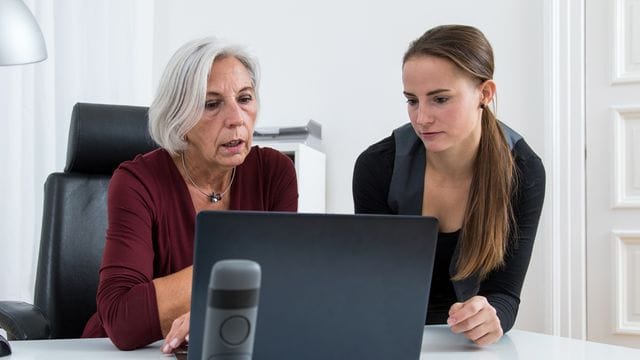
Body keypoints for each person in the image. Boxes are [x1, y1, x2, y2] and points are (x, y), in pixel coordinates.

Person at [81, 37, 298, 352]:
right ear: (179, 119)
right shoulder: (136, 182)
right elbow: (122, 318)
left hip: (227, 345)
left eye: (245, 98)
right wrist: (245, 267)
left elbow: (285, 290)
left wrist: (209, 315)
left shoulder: (274, 173)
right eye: (212, 104)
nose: (237, 118)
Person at [352, 25, 545, 346]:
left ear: (485, 94)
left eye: (440, 99)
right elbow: (375, 284)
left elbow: (505, 294)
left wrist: (490, 315)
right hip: (394, 335)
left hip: (469, 345)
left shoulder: (523, 170)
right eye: (412, 100)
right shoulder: (377, 166)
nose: (422, 118)